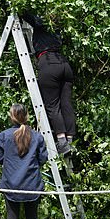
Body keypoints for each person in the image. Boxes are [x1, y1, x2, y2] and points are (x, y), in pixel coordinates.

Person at [0, 103, 48, 219]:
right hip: (32, 184)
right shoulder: (37, 137)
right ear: (27, 116)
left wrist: (11, 162)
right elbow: (43, 159)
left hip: (11, 183)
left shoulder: (4, 136)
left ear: (12, 117)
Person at [22, 11, 76, 155]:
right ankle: (70, 141)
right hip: (64, 63)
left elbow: (27, 14)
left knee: (52, 105)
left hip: (48, 62)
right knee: (66, 104)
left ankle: (62, 142)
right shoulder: (60, 21)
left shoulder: (43, 20)